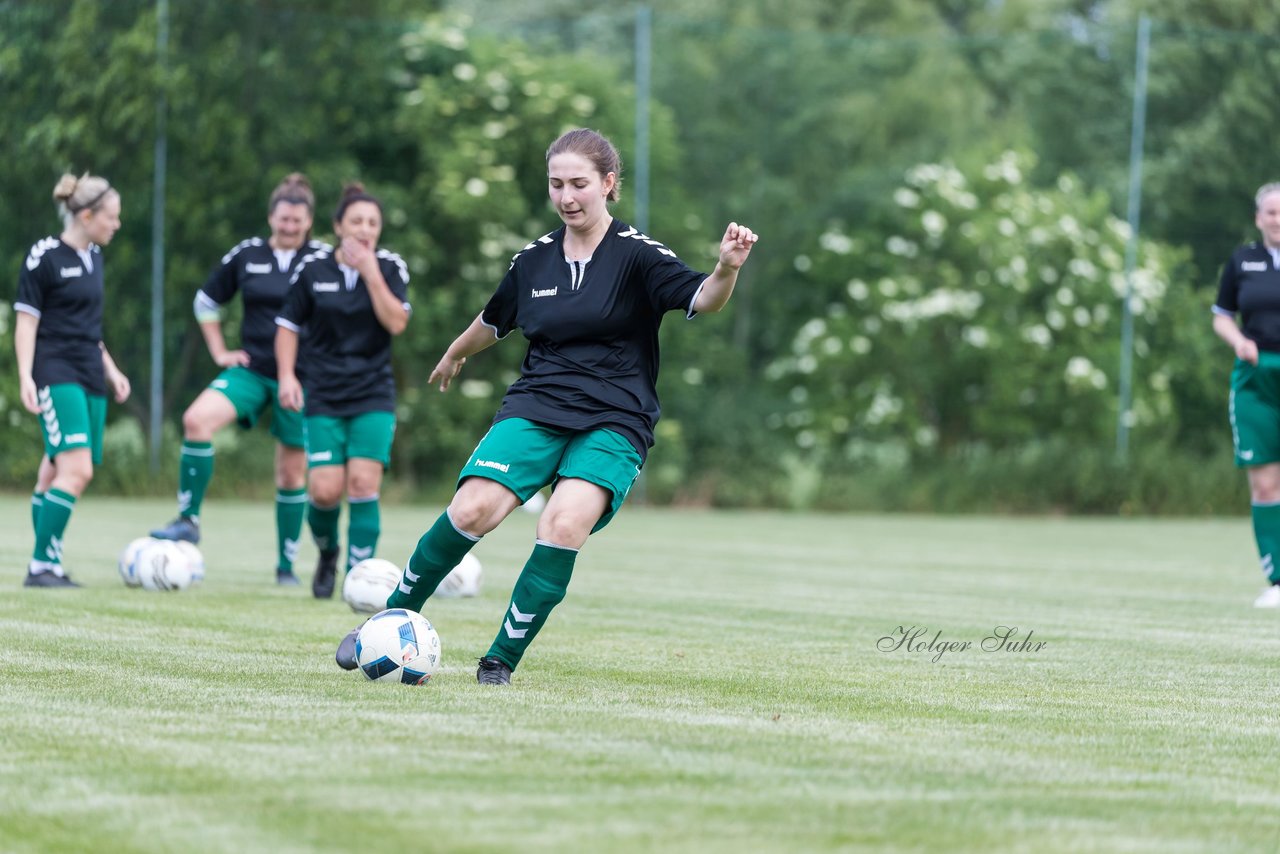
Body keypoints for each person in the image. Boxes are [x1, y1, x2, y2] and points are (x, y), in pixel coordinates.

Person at [335, 128, 758, 684]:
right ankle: (386, 622)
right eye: (557, 184)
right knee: (471, 509)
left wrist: (726, 267)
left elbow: (704, 298)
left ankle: (499, 662)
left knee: (562, 524)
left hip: (615, 416)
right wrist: (454, 353)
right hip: (539, 404)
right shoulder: (532, 261)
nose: (567, 196)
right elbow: (494, 322)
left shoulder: (639, 256)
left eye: (579, 184)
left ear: (608, 184)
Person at [150, 173, 328, 585]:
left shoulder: (323, 258)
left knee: (289, 475)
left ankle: (286, 566)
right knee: (196, 420)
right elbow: (206, 301)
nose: (289, 227)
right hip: (251, 370)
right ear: (271, 217)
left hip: (301, 380)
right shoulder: (247, 254)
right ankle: (188, 520)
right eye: (283, 220)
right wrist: (218, 350)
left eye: (297, 222)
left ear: (309, 221)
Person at [275, 182, 411, 599]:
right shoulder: (313, 270)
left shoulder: (390, 267)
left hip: (372, 393)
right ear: (338, 226)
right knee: (324, 490)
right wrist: (286, 376)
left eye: (373, 222)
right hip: (324, 394)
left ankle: (359, 577)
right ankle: (329, 552)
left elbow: (397, 323)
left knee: (362, 486)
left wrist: (370, 273)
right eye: (356, 222)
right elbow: (287, 326)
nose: (365, 229)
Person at [15, 172, 131, 587]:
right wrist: (27, 376)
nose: (116, 224)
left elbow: (89, 328)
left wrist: (112, 370)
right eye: (111, 217)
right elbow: (26, 322)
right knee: (77, 470)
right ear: (86, 215)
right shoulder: (45, 255)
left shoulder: (94, 257)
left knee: (52, 473)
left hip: (88, 371)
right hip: (55, 370)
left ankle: (49, 563)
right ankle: (41, 566)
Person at [1213, 181, 1280, 608]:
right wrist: (1238, 340)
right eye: (1272, 212)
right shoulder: (1242, 261)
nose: (1279, 220)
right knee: (1265, 485)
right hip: (1256, 380)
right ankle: (1277, 580)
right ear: (1259, 218)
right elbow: (1221, 316)